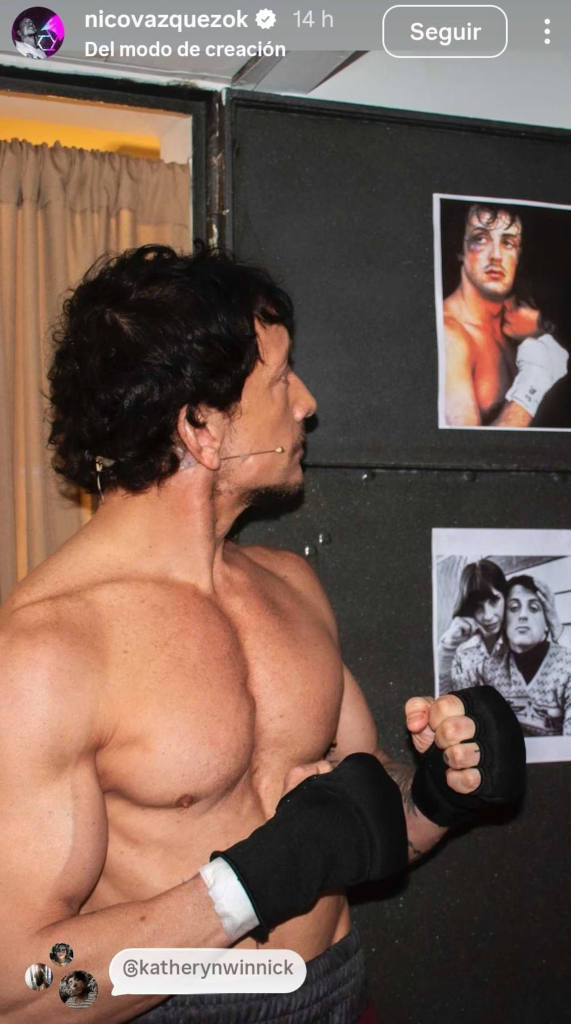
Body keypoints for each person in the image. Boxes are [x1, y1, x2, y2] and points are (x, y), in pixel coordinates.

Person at [0, 245, 525, 1024]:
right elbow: (27, 988)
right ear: (201, 427)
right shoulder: (48, 653)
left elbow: (345, 834)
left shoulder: (290, 586)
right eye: (281, 379)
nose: (306, 403)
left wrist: (438, 796)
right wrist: (242, 889)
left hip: (337, 989)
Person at [443, 202, 568, 427]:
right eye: (480, 239)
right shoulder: (450, 336)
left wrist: (542, 327)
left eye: (508, 242)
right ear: (460, 250)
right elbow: (467, 448)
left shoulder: (525, 315)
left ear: (518, 254)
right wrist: (535, 377)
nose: (496, 256)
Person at [438, 559, 563, 695]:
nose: (488, 616)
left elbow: (561, 674)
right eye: (477, 606)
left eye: (494, 600)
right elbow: (445, 697)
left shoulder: (520, 638)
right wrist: (446, 651)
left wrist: (556, 627)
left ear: (505, 596)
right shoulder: (461, 649)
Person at [482, 576, 571, 736]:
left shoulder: (565, 667)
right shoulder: (489, 669)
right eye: (514, 608)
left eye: (534, 608)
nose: (523, 615)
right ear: (504, 621)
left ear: (547, 623)